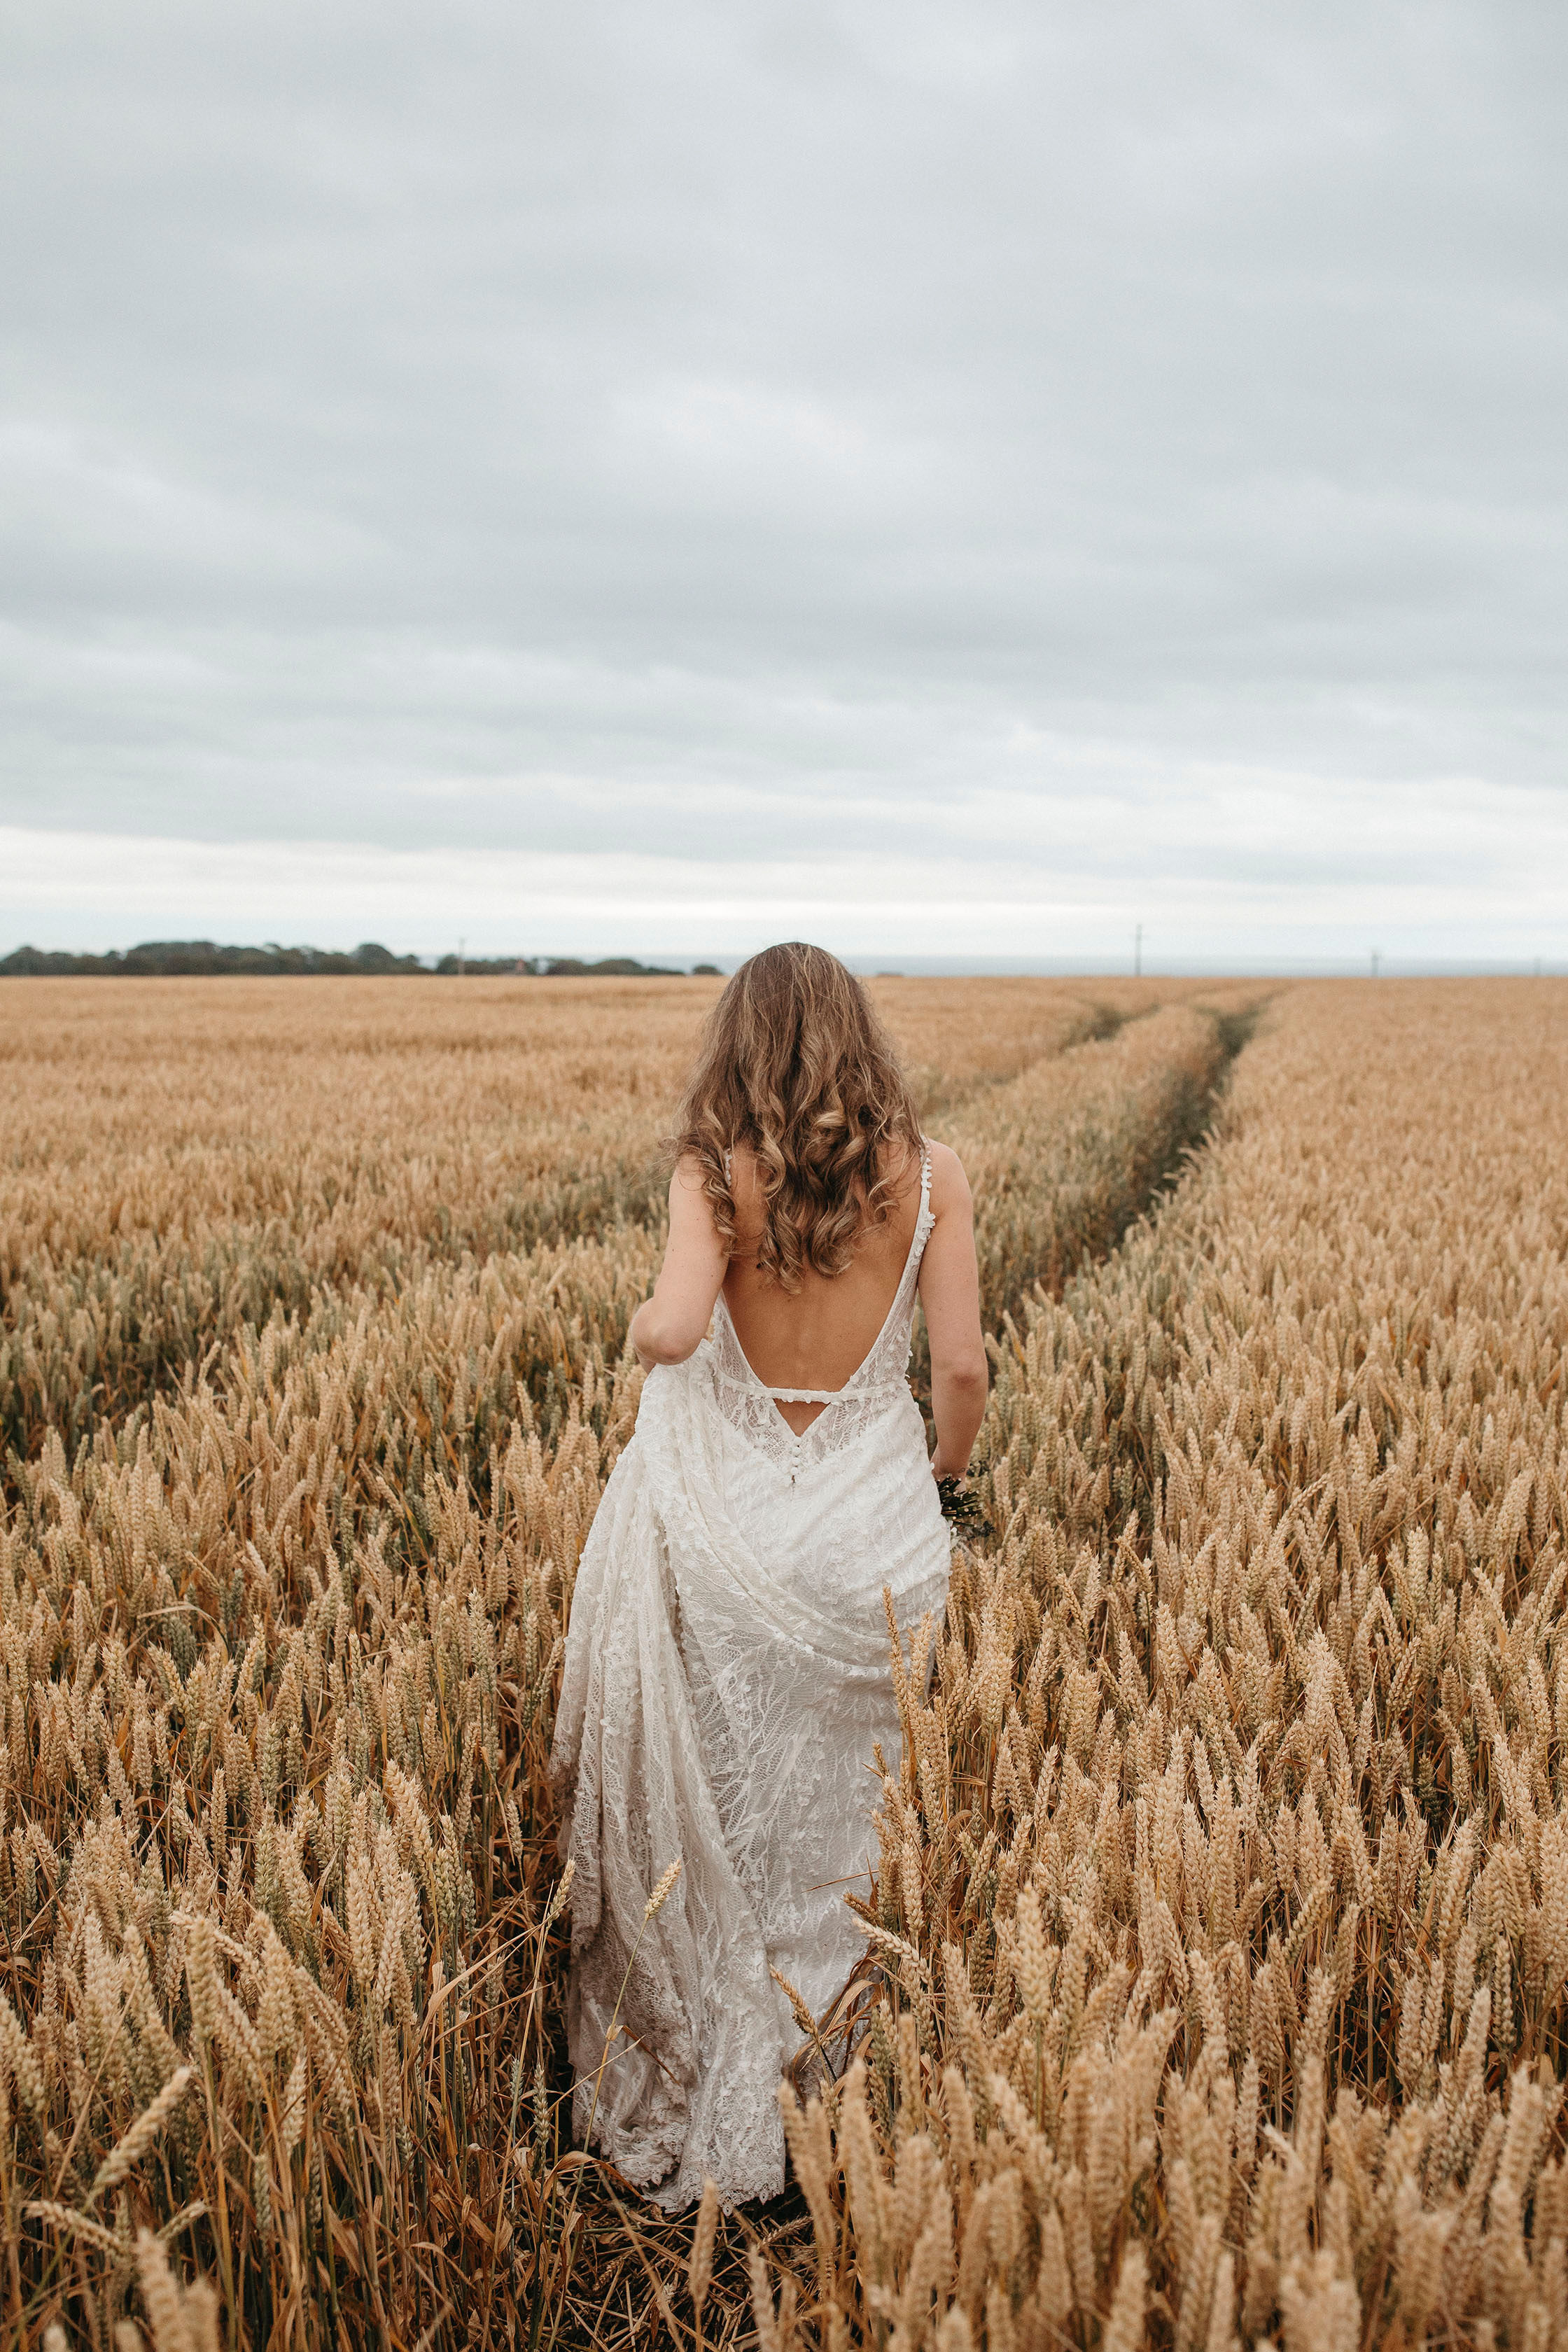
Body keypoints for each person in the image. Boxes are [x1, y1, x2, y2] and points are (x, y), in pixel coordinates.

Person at [550, 942, 987, 2211]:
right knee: (850, 1819)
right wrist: (942, 1477)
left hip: (736, 1538)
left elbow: (676, 1330)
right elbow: (956, 1371)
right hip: (874, 1542)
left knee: (723, 1807)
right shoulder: (936, 1176)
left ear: (737, 1041)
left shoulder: (713, 1170)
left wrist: (640, 1327)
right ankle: (835, 2074)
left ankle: (708, 2064)